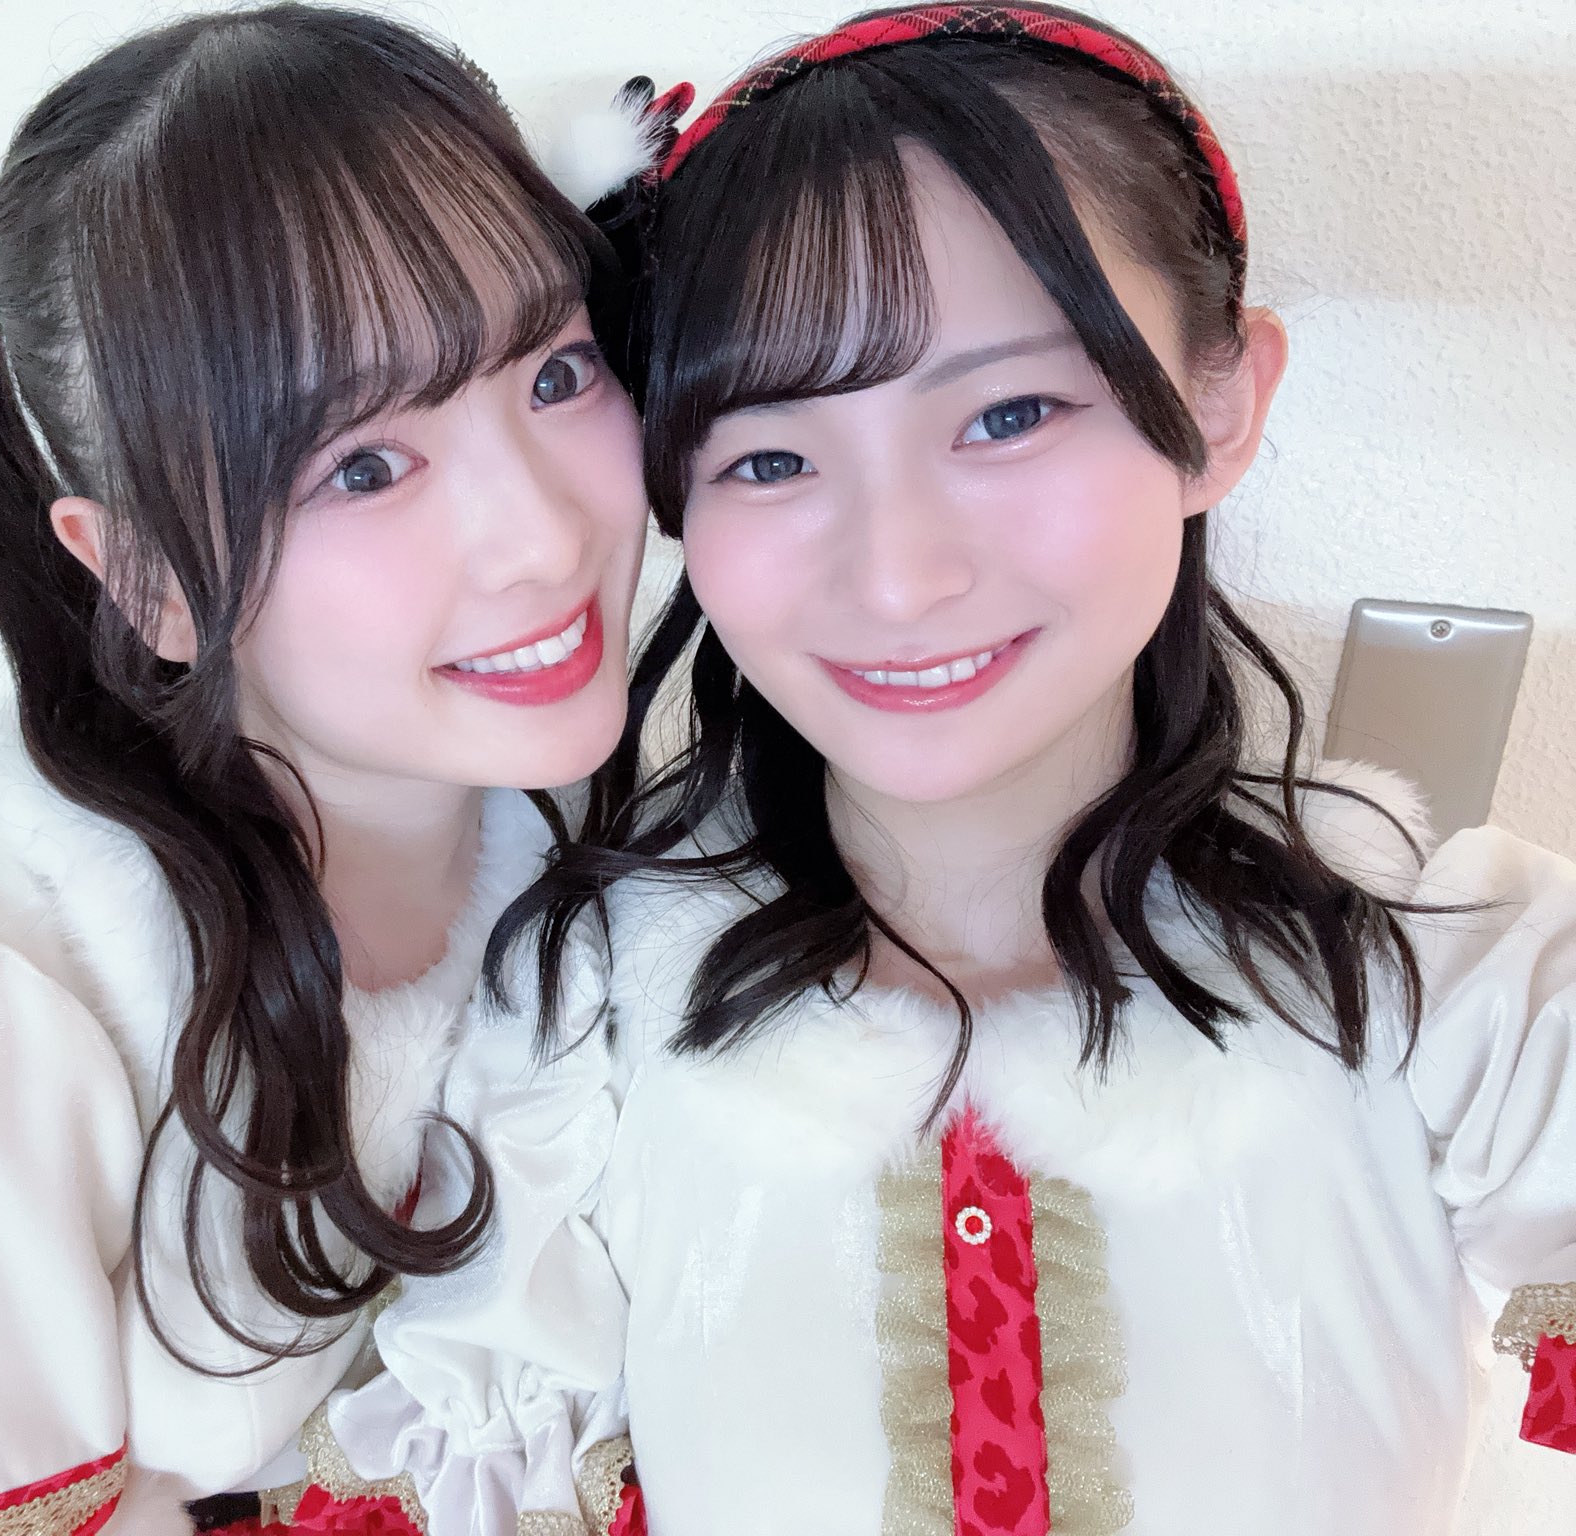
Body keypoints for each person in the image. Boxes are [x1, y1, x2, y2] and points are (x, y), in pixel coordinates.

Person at [313, 7, 1576, 1532]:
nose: (899, 577)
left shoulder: (1460, 986)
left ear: (1220, 405)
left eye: (1010, 414)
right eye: (771, 457)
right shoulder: (572, 1037)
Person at [0, 6, 652, 1532]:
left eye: (556, 373)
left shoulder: (635, 821)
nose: (545, 537)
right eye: (364, 466)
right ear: (144, 575)